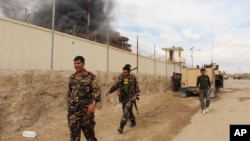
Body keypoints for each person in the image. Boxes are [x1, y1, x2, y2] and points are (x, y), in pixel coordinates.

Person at [67, 56, 101, 141]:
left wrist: (93, 104)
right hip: (73, 113)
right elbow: (69, 94)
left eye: (78, 63)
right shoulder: (71, 78)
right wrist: (69, 107)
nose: (76, 65)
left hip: (86, 113)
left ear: (83, 64)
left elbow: (97, 91)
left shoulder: (91, 77)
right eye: (75, 63)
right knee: (74, 138)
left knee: (90, 137)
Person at [106, 65, 140, 134]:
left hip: (131, 97)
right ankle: (133, 121)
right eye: (123, 72)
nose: (124, 73)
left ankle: (121, 126)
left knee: (126, 110)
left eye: (125, 72)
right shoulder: (121, 77)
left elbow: (137, 87)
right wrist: (109, 91)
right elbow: (117, 85)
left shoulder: (133, 77)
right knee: (128, 110)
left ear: (129, 72)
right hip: (123, 97)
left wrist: (135, 96)